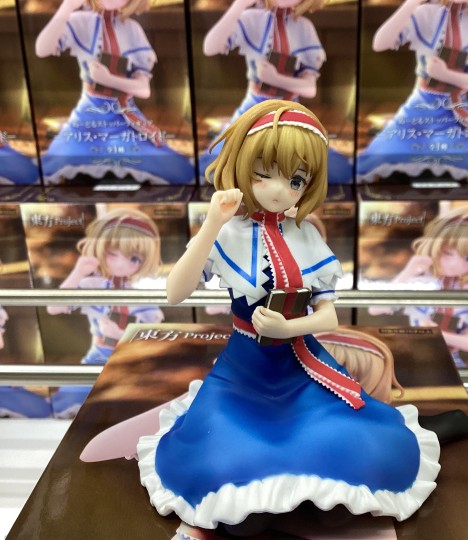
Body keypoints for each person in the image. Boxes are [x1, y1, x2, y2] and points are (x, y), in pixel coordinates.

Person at [136, 99, 443, 536]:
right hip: (241, 374)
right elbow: (175, 292)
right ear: (242, 165)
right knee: (218, 457)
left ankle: (310, 503)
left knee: (361, 447)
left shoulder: (306, 237)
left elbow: (329, 317)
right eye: (264, 173)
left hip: (302, 369)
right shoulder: (228, 233)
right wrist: (211, 224)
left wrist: (289, 328)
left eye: (296, 179)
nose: (280, 190)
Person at [368, 205, 468, 423]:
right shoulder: (420, 284)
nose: (454, 263)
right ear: (435, 246)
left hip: (449, 362)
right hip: (411, 357)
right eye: (448, 252)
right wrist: (408, 272)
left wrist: (436, 333)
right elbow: (376, 308)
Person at [34, 0, 195, 185]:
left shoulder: (132, 29)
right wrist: (67, 7)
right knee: (60, 158)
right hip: (87, 116)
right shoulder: (80, 21)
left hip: (123, 117)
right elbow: (42, 50)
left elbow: (144, 89)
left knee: (166, 165)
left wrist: (108, 79)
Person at [356, 0, 468, 183]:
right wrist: (411, 4)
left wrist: (445, 74)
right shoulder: (425, 13)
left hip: (455, 112)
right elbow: (380, 44)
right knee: (387, 151)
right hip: (418, 108)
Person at [200, 0, 351, 184]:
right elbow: (210, 48)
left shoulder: (304, 27)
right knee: (216, 164)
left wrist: (275, 78)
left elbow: (310, 89)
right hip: (253, 108)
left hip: (291, 110)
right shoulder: (251, 19)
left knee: (333, 169)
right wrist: (238, 6)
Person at [47, 208, 164, 417]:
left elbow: (153, 336)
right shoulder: (93, 285)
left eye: (134, 258)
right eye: (112, 254)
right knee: (71, 400)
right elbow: (54, 307)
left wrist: (121, 336)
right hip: (98, 357)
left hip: (133, 361)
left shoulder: (142, 293)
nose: (120, 264)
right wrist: (78, 272)